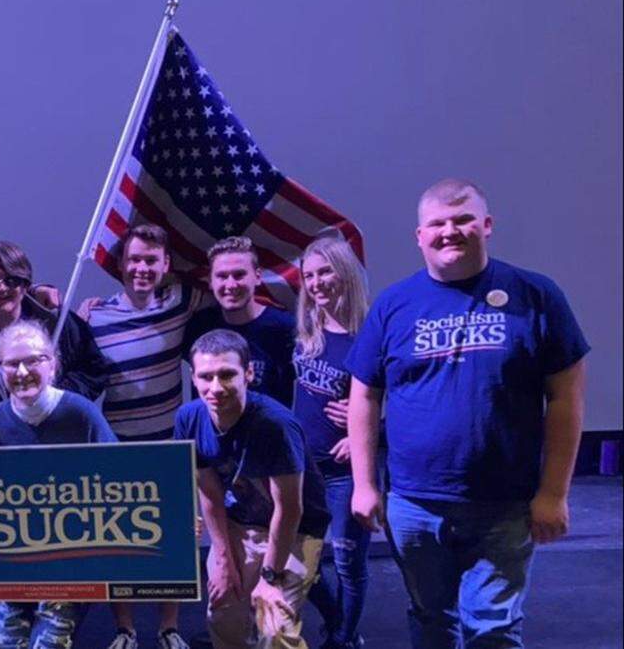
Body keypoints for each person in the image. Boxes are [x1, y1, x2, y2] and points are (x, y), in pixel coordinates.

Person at [347, 179, 589, 648]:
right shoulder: (394, 306)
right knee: (431, 620)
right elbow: (364, 395)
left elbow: (566, 400)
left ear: (487, 225)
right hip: (414, 505)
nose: (449, 231)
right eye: (437, 224)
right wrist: (363, 484)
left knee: (493, 630)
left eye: (462, 220)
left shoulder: (536, 296)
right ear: (420, 236)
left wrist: (554, 493)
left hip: (506, 505)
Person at [0, 320, 118, 649]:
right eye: (12, 363)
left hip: (70, 561)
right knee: (9, 643)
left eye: (34, 360)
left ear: (53, 363)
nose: (23, 371)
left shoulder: (81, 415)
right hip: (11, 563)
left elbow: (120, 481)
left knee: (50, 644)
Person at [77, 225, 206, 649]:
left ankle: (169, 628)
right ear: (121, 264)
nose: (141, 268)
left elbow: (231, 293)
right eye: (134, 260)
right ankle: (125, 629)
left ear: (166, 265)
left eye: (151, 260)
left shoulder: (182, 304)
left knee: (173, 539)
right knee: (121, 544)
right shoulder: (94, 317)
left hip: (170, 446)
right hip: (117, 447)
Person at [176, 329, 330, 649]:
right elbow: (210, 493)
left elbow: (289, 509)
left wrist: (269, 579)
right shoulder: (190, 418)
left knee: (274, 627)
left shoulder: (275, 424)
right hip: (238, 523)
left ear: (248, 373)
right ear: (194, 377)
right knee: (223, 613)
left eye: (227, 375)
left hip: (295, 530)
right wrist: (222, 559)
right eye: (206, 377)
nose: (215, 387)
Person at [292, 236, 371, 649]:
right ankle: (341, 625)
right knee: (304, 564)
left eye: (325, 271)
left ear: (345, 273)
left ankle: (342, 640)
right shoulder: (307, 331)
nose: (317, 282)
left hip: (346, 472)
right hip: (305, 466)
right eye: (309, 275)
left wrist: (369, 432)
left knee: (347, 561)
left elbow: (405, 396)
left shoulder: (370, 334)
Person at [0, 240, 110, 409]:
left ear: (25, 286)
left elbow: (94, 372)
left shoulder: (59, 323)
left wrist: (56, 400)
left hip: (58, 430)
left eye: (12, 280)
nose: (1, 288)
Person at [186, 236, 296, 407]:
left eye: (239, 275)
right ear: (210, 281)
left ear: (258, 276)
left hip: (267, 431)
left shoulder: (286, 328)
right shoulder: (199, 326)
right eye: (222, 276)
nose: (231, 284)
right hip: (210, 432)